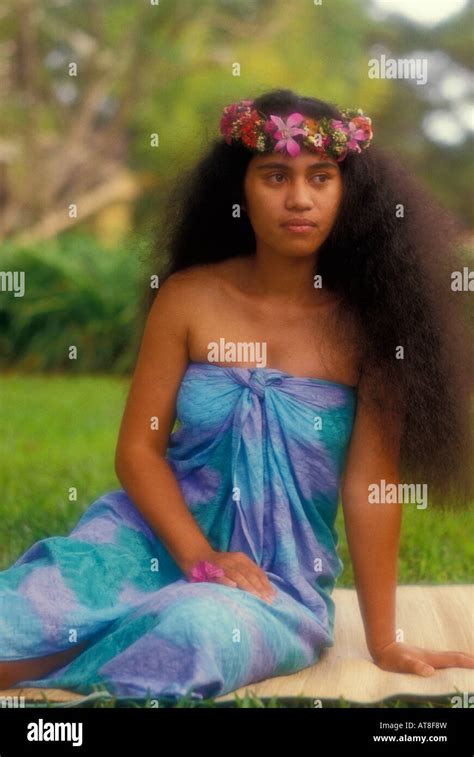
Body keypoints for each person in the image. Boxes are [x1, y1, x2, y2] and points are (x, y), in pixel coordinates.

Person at [1, 88, 473, 702]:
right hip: (145, 540)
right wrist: (199, 555)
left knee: (195, 630)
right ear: (240, 190)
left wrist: (385, 640)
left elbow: (370, 489)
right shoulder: (188, 298)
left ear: (346, 192)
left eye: (320, 177)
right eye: (275, 175)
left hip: (273, 586)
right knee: (30, 608)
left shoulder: (371, 328)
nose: (298, 198)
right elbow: (138, 452)